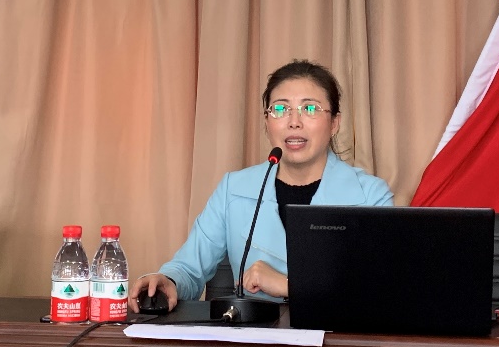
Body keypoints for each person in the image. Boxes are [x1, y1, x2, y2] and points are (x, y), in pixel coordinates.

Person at [128, 59, 394, 311]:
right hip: (255, 336)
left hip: (337, 339)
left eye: (310, 109)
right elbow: (188, 268)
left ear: (334, 122)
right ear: (267, 122)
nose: (294, 121)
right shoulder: (234, 189)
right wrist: (168, 281)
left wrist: (288, 285)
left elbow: (383, 290)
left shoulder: (371, 196)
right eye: (280, 109)